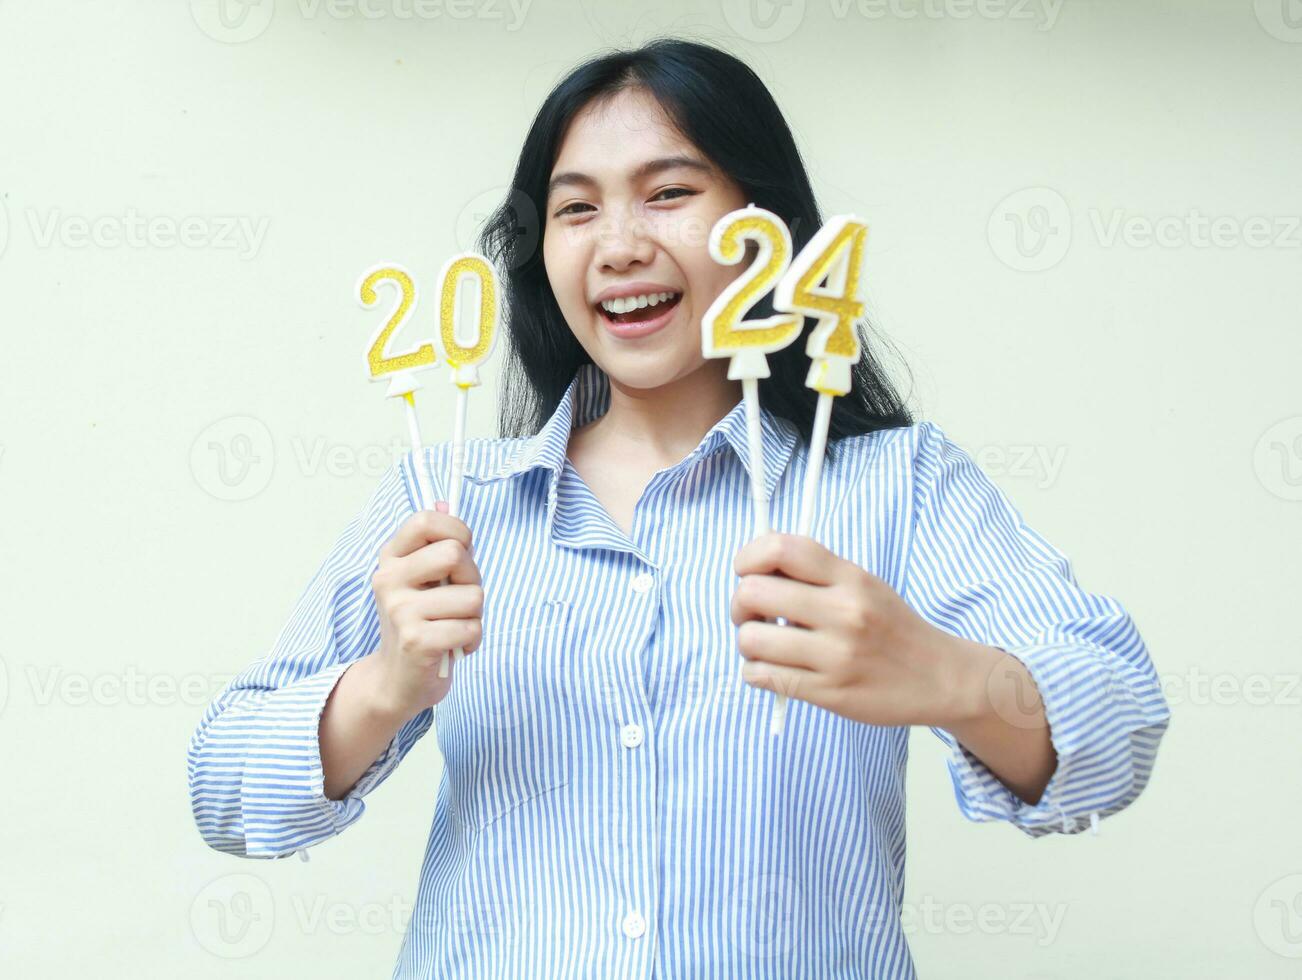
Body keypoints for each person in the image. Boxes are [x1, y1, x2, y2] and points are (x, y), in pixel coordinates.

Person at [187, 38, 1170, 978]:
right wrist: (382, 685)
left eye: (668, 194)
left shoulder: (896, 486)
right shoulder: (444, 502)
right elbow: (223, 790)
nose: (620, 246)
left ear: (764, 224)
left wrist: (951, 674)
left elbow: (1118, 723)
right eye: (576, 211)